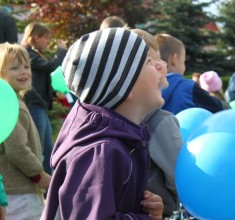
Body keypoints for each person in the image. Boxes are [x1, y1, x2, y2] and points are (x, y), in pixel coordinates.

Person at [41, 27, 164, 220]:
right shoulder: (99, 152)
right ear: (123, 86)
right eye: (149, 61)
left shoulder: (119, 140)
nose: (159, 66)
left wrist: (142, 209)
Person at [132, 29, 182, 217]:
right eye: (152, 62)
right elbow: (179, 177)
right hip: (161, 212)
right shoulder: (161, 121)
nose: (161, 66)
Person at [0, 43, 51, 220]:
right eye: (14, 68)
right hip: (20, 192)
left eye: (27, 67)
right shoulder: (12, 107)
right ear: (1, 74)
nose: (23, 72)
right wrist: (39, 175)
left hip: (8, 192)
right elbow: (17, 149)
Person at [21, 22, 68, 175]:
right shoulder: (28, 54)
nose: (48, 41)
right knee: (39, 149)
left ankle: (48, 188)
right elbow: (49, 67)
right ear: (36, 37)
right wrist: (61, 52)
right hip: (34, 106)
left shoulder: (36, 54)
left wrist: (54, 94)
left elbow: (41, 80)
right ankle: (41, 184)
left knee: (48, 149)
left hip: (40, 106)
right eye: (46, 37)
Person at [155, 33, 224, 115]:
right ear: (174, 59)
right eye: (183, 61)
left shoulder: (148, 87)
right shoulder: (188, 87)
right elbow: (217, 107)